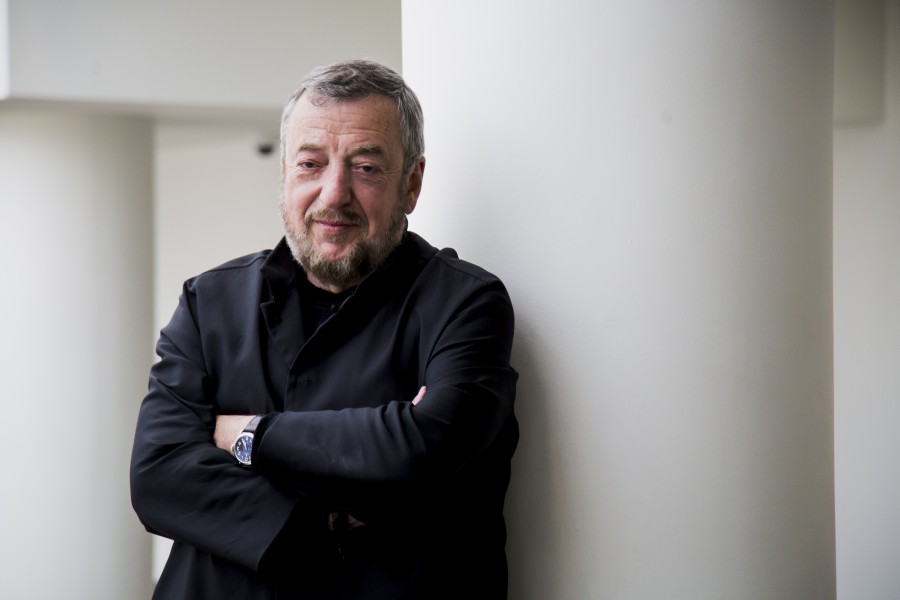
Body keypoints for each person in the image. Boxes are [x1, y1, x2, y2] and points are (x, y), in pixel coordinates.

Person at [130, 59, 518, 599]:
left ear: (411, 184)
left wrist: (247, 436)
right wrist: (328, 522)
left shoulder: (466, 304)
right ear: (284, 175)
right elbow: (158, 476)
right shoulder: (209, 301)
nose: (334, 194)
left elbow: (422, 447)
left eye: (366, 168)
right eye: (311, 164)